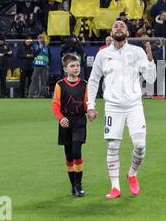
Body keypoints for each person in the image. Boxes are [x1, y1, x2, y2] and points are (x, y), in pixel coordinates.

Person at [87, 20, 156, 199]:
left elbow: (150, 79)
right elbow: (94, 80)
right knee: (112, 146)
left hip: (134, 105)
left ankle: (132, 174)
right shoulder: (103, 54)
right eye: (116, 26)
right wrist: (91, 105)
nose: (119, 28)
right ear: (111, 31)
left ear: (127, 32)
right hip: (112, 106)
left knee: (140, 145)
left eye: (122, 26)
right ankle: (115, 187)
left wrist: (149, 58)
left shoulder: (137, 52)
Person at [51, 53, 88, 197]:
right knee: (68, 154)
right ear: (65, 69)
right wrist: (60, 118)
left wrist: (90, 111)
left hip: (79, 121)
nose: (76, 68)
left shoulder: (85, 84)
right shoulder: (60, 85)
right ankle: (73, 185)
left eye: (77, 65)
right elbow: (55, 105)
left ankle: (79, 185)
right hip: (65, 122)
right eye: (72, 66)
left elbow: (86, 104)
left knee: (76, 151)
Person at [28, 34, 50, 98]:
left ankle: (41, 95)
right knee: (34, 80)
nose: (41, 40)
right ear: (37, 39)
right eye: (39, 38)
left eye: (42, 38)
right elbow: (34, 54)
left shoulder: (46, 47)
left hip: (44, 66)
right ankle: (31, 94)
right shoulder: (34, 46)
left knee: (43, 81)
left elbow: (49, 56)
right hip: (37, 65)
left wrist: (48, 64)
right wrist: (39, 48)